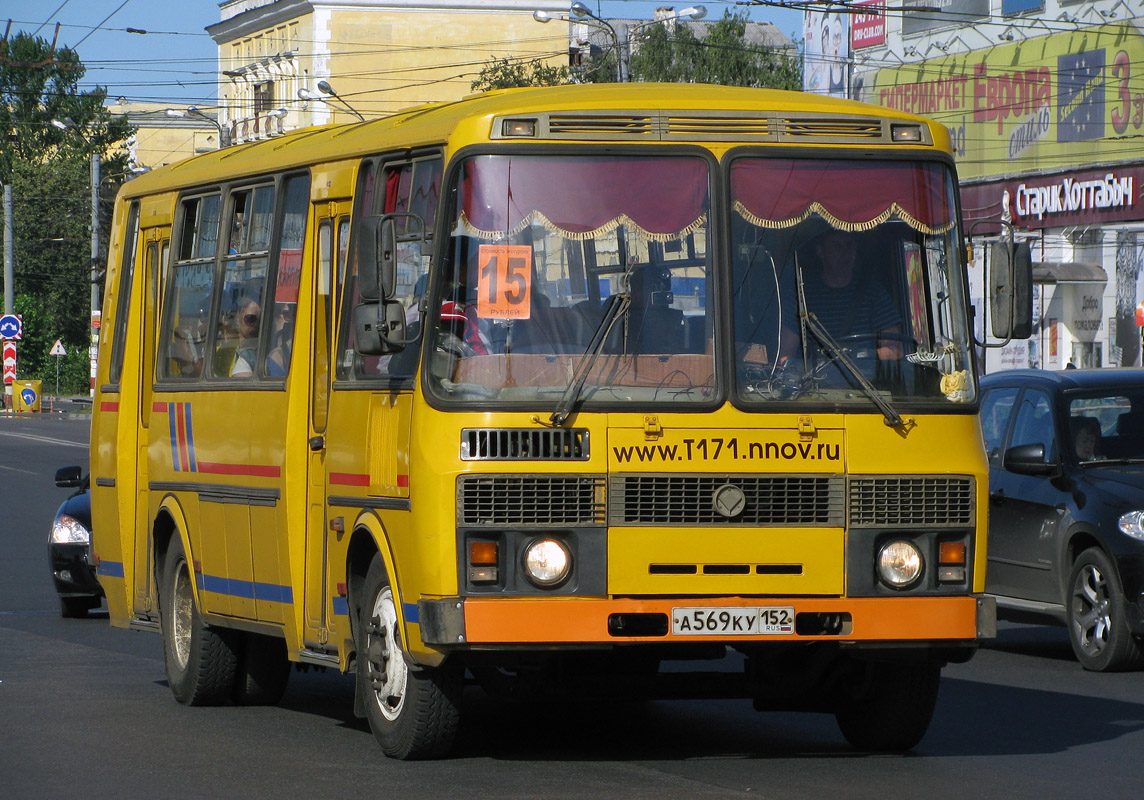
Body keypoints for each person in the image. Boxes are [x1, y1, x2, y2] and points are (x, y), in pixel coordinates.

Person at [786, 229, 903, 361]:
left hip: (864, 379)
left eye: (850, 245)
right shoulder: (802, 296)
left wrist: (860, 358)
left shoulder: (874, 293)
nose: (845, 252)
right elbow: (785, 356)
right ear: (820, 251)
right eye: (837, 246)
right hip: (817, 379)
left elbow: (894, 351)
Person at [230, 296, 261, 377]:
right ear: (238, 320)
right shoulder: (226, 350)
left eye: (260, 320)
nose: (255, 324)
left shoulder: (263, 353)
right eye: (250, 318)